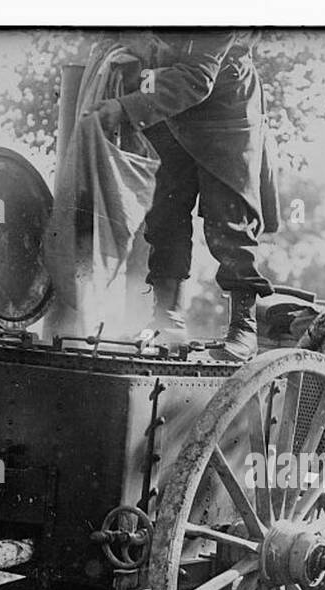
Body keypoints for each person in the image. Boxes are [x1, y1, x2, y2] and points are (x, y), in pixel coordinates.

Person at [88, 30, 279, 360]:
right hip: (170, 112)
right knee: (165, 213)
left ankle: (244, 327)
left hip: (225, 114)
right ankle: (166, 319)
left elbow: (197, 76)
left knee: (229, 219)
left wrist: (126, 106)